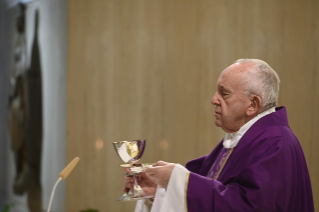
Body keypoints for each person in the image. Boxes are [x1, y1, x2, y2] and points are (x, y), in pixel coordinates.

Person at [124, 59, 314, 212]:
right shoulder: (243, 140)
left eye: (224, 94)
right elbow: (207, 184)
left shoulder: (274, 143)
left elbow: (252, 206)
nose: (213, 99)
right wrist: (161, 188)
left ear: (253, 105)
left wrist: (176, 179)